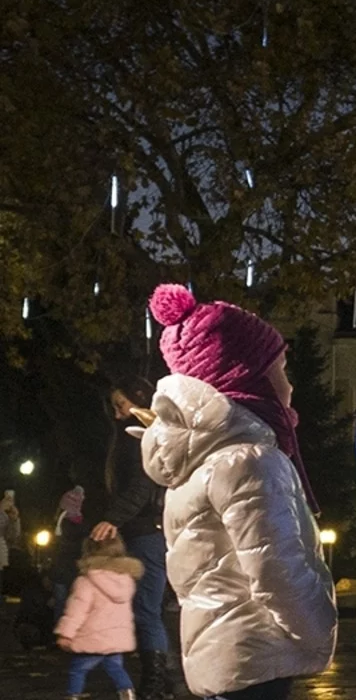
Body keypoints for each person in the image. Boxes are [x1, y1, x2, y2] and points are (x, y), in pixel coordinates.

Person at [137, 284, 336, 700]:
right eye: (279, 371)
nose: (291, 386)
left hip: (222, 652)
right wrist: (320, 630)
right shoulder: (248, 461)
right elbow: (275, 568)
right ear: (244, 378)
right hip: (258, 654)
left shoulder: (199, 458)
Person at [95, 377, 173, 700]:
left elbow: (142, 488)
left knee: (146, 610)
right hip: (142, 532)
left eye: (121, 405)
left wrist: (113, 518)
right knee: (145, 609)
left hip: (147, 533)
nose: (117, 414)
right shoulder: (136, 439)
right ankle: (160, 681)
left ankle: (155, 683)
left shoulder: (145, 440)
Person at [55, 534, 144, 700]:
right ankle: (128, 694)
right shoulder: (126, 580)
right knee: (115, 667)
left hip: (93, 637)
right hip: (116, 637)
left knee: (78, 669)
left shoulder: (87, 581)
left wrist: (66, 633)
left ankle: (73, 695)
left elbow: (77, 611)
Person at [51, 485, 87, 615]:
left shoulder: (60, 526)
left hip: (62, 572)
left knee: (61, 608)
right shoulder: (86, 526)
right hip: (76, 572)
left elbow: (55, 550)